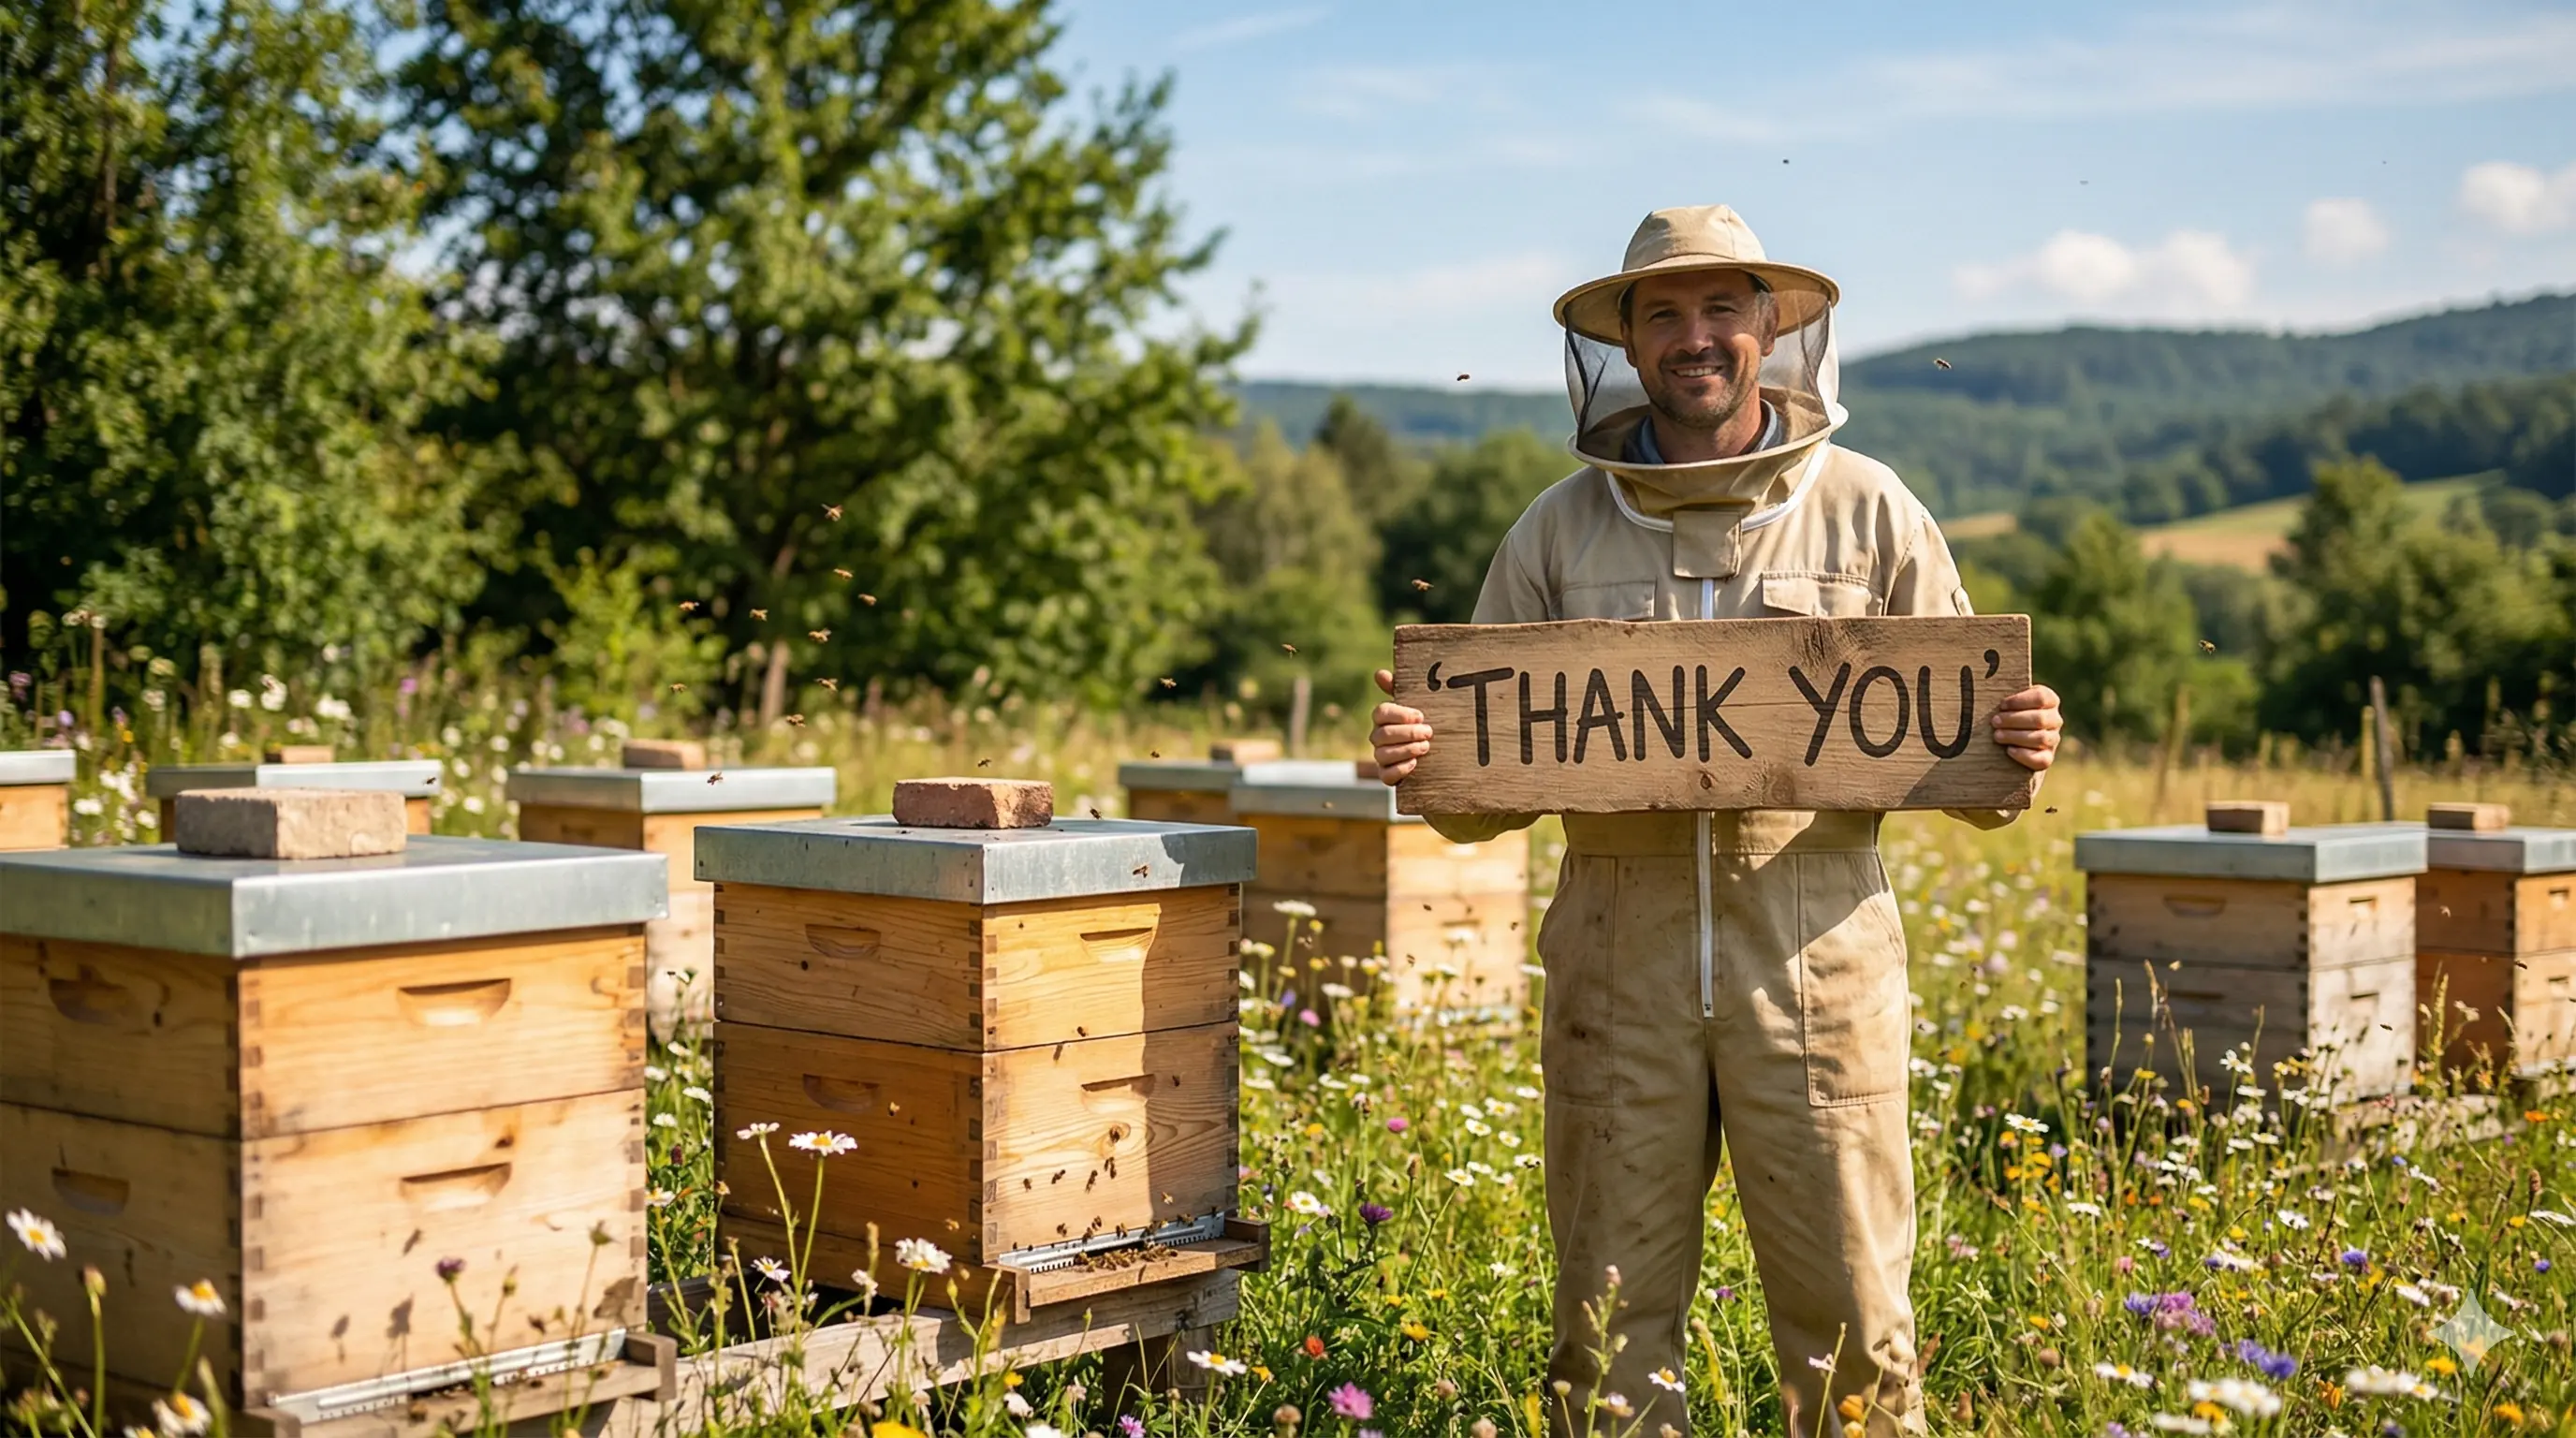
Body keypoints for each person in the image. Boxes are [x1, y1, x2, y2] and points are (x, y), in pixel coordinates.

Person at [1367, 205, 2063, 1437]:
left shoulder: (1873, 511)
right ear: (1625, 346)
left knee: (1853, 1330)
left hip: (1819, 979)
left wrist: (2016, 752)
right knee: (1606, 1330)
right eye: (1664, 314)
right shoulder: (1556, 529)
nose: (1696, 337)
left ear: (1771, 327)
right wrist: (1431, 760)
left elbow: (1979, 773)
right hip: (1612, 984)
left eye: (1721, 309)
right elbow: (1480, 807)